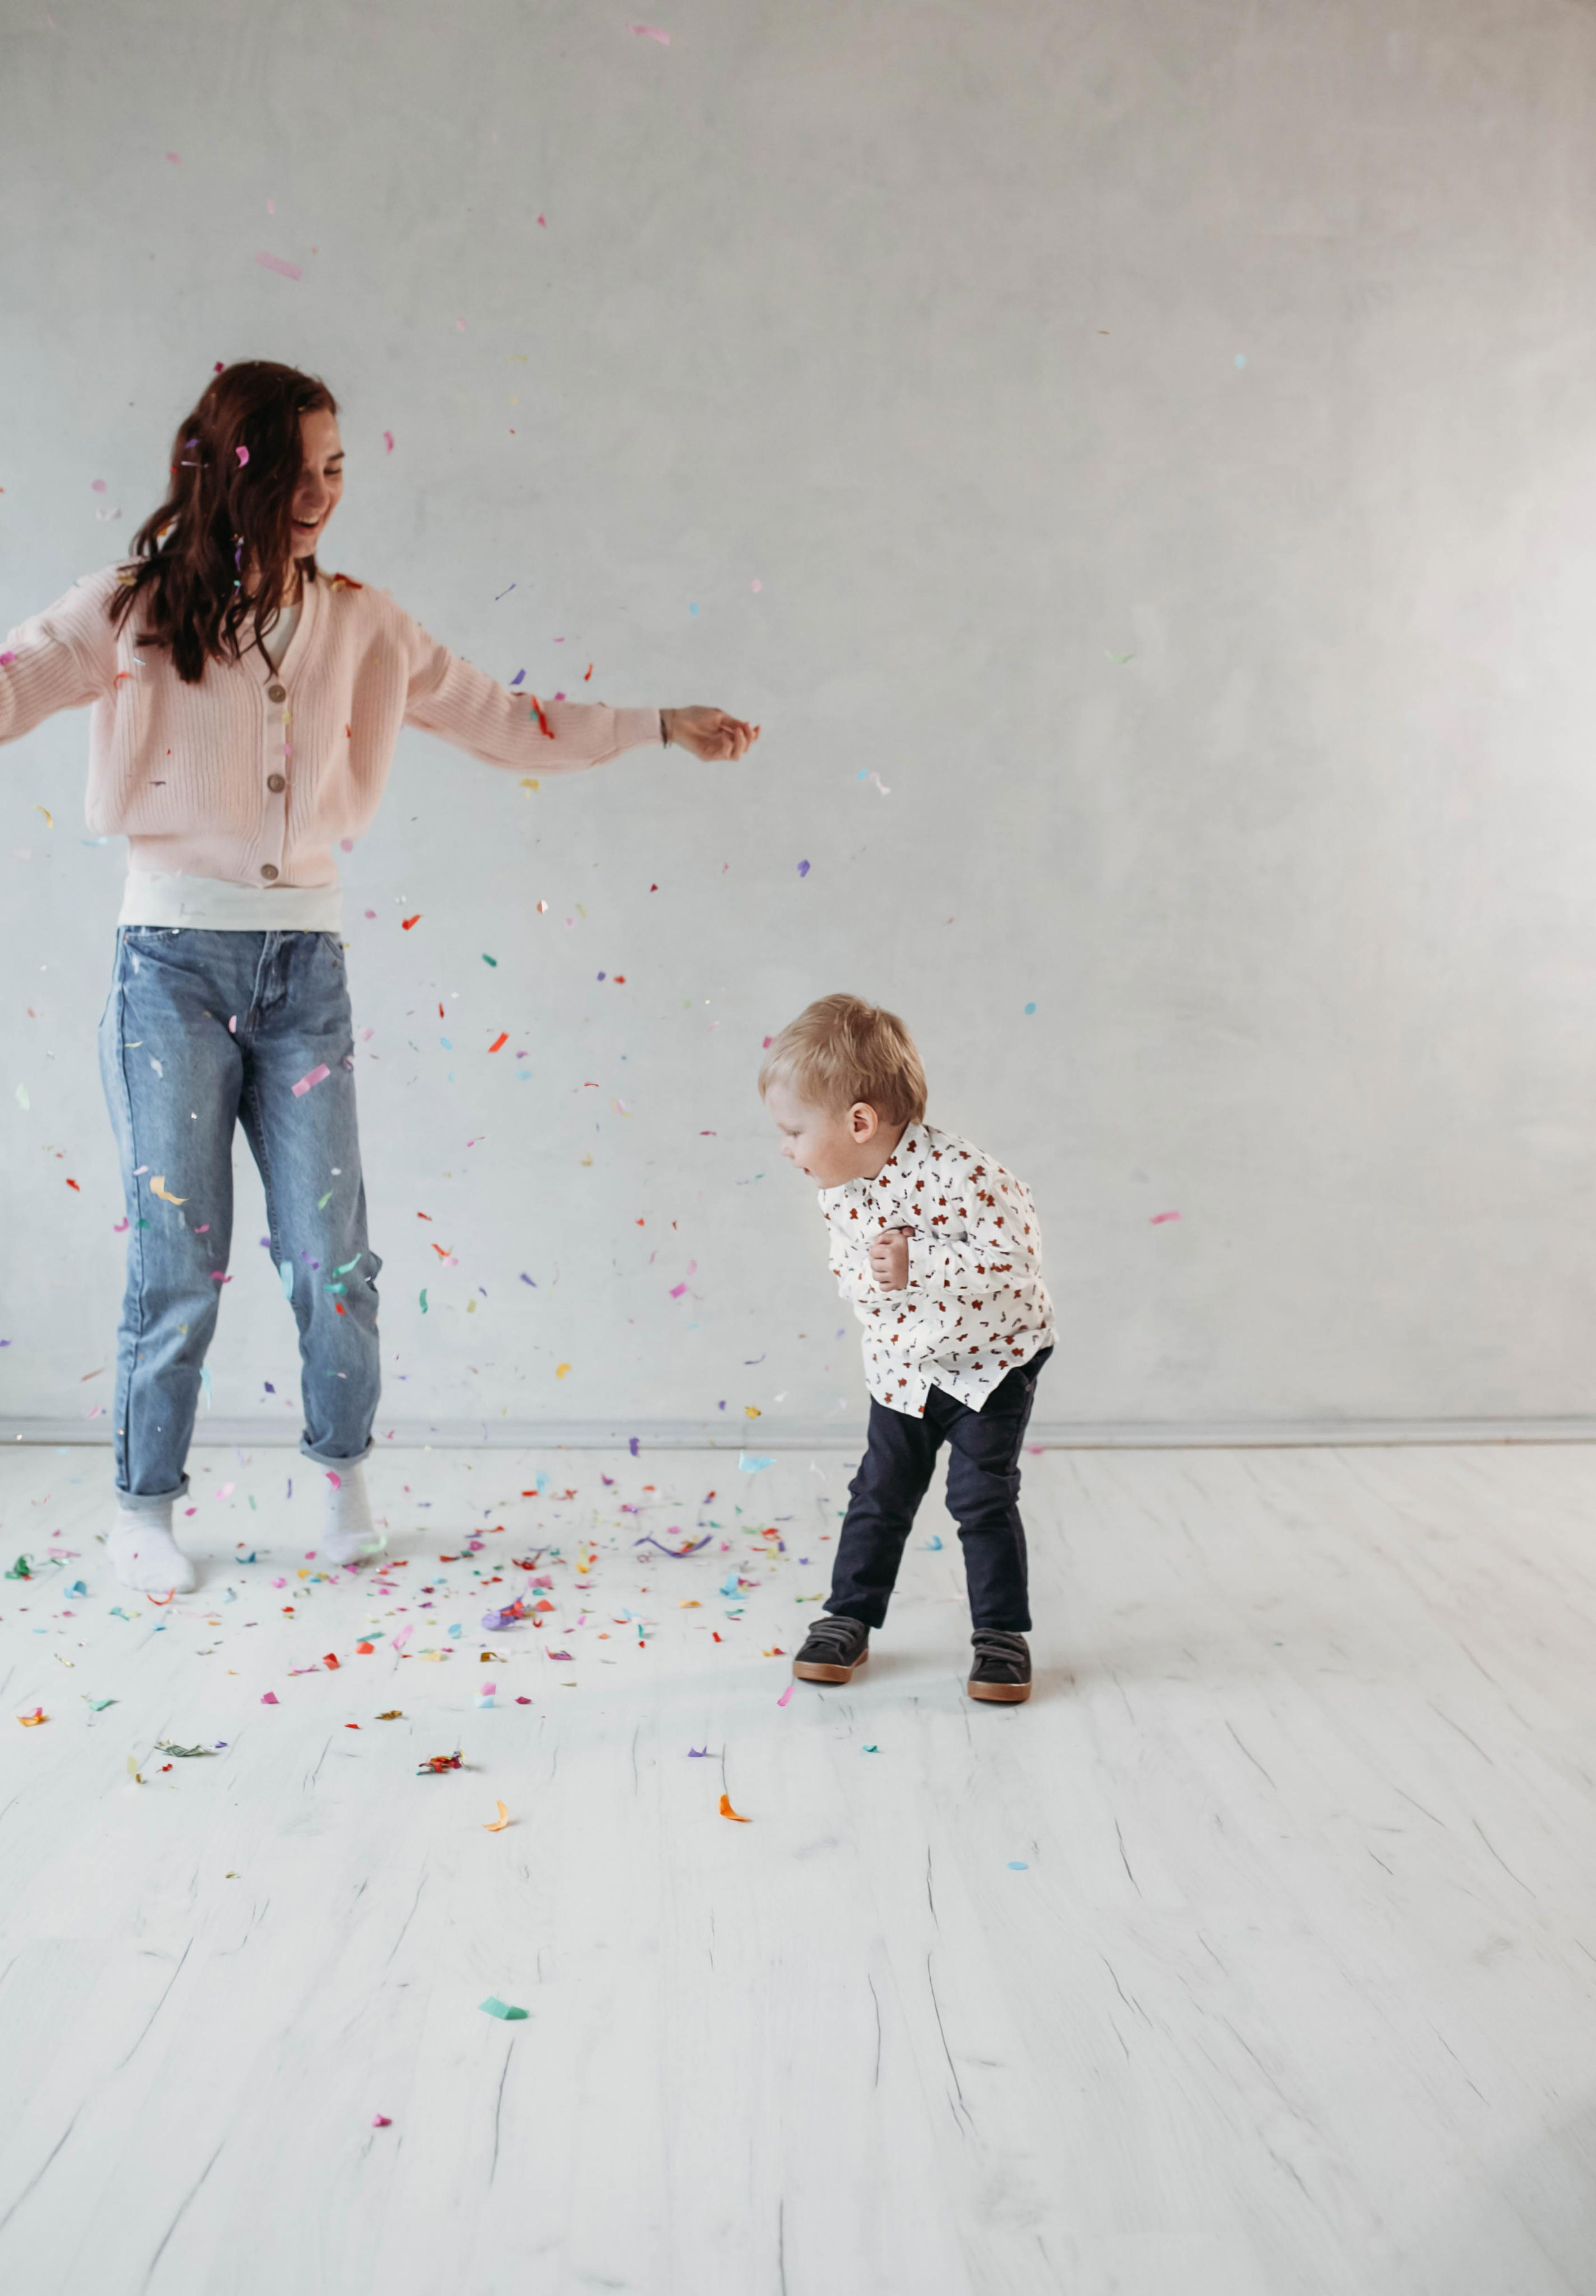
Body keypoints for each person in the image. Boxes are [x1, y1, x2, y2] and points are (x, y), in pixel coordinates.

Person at [0, 359, 760, 1595]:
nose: (321, 492)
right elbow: (18, 678)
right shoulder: (134, 604)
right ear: (230, 469)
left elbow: (505, 718)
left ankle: (339, 1483)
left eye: (336, 467)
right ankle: (143, 1507)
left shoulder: (362, 621)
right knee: (179, 1249)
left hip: (306, 968)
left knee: (331, 1250)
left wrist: (654, 720)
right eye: (299, 469)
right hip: (170, 966)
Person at [761, 994, 1053, 1702]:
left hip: (991, 1362)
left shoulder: (968, 1176)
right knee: (880, 1492)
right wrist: (878, 1272)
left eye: (794, 1130)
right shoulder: (839, 1189)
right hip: (902, 1368)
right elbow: (849, 1272)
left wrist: (920, 1263)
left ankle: (1000, 1635)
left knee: (979, 1496)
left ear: (858, 1122)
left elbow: (1015, 1263)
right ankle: (848, 1616)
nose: (785, 1147)